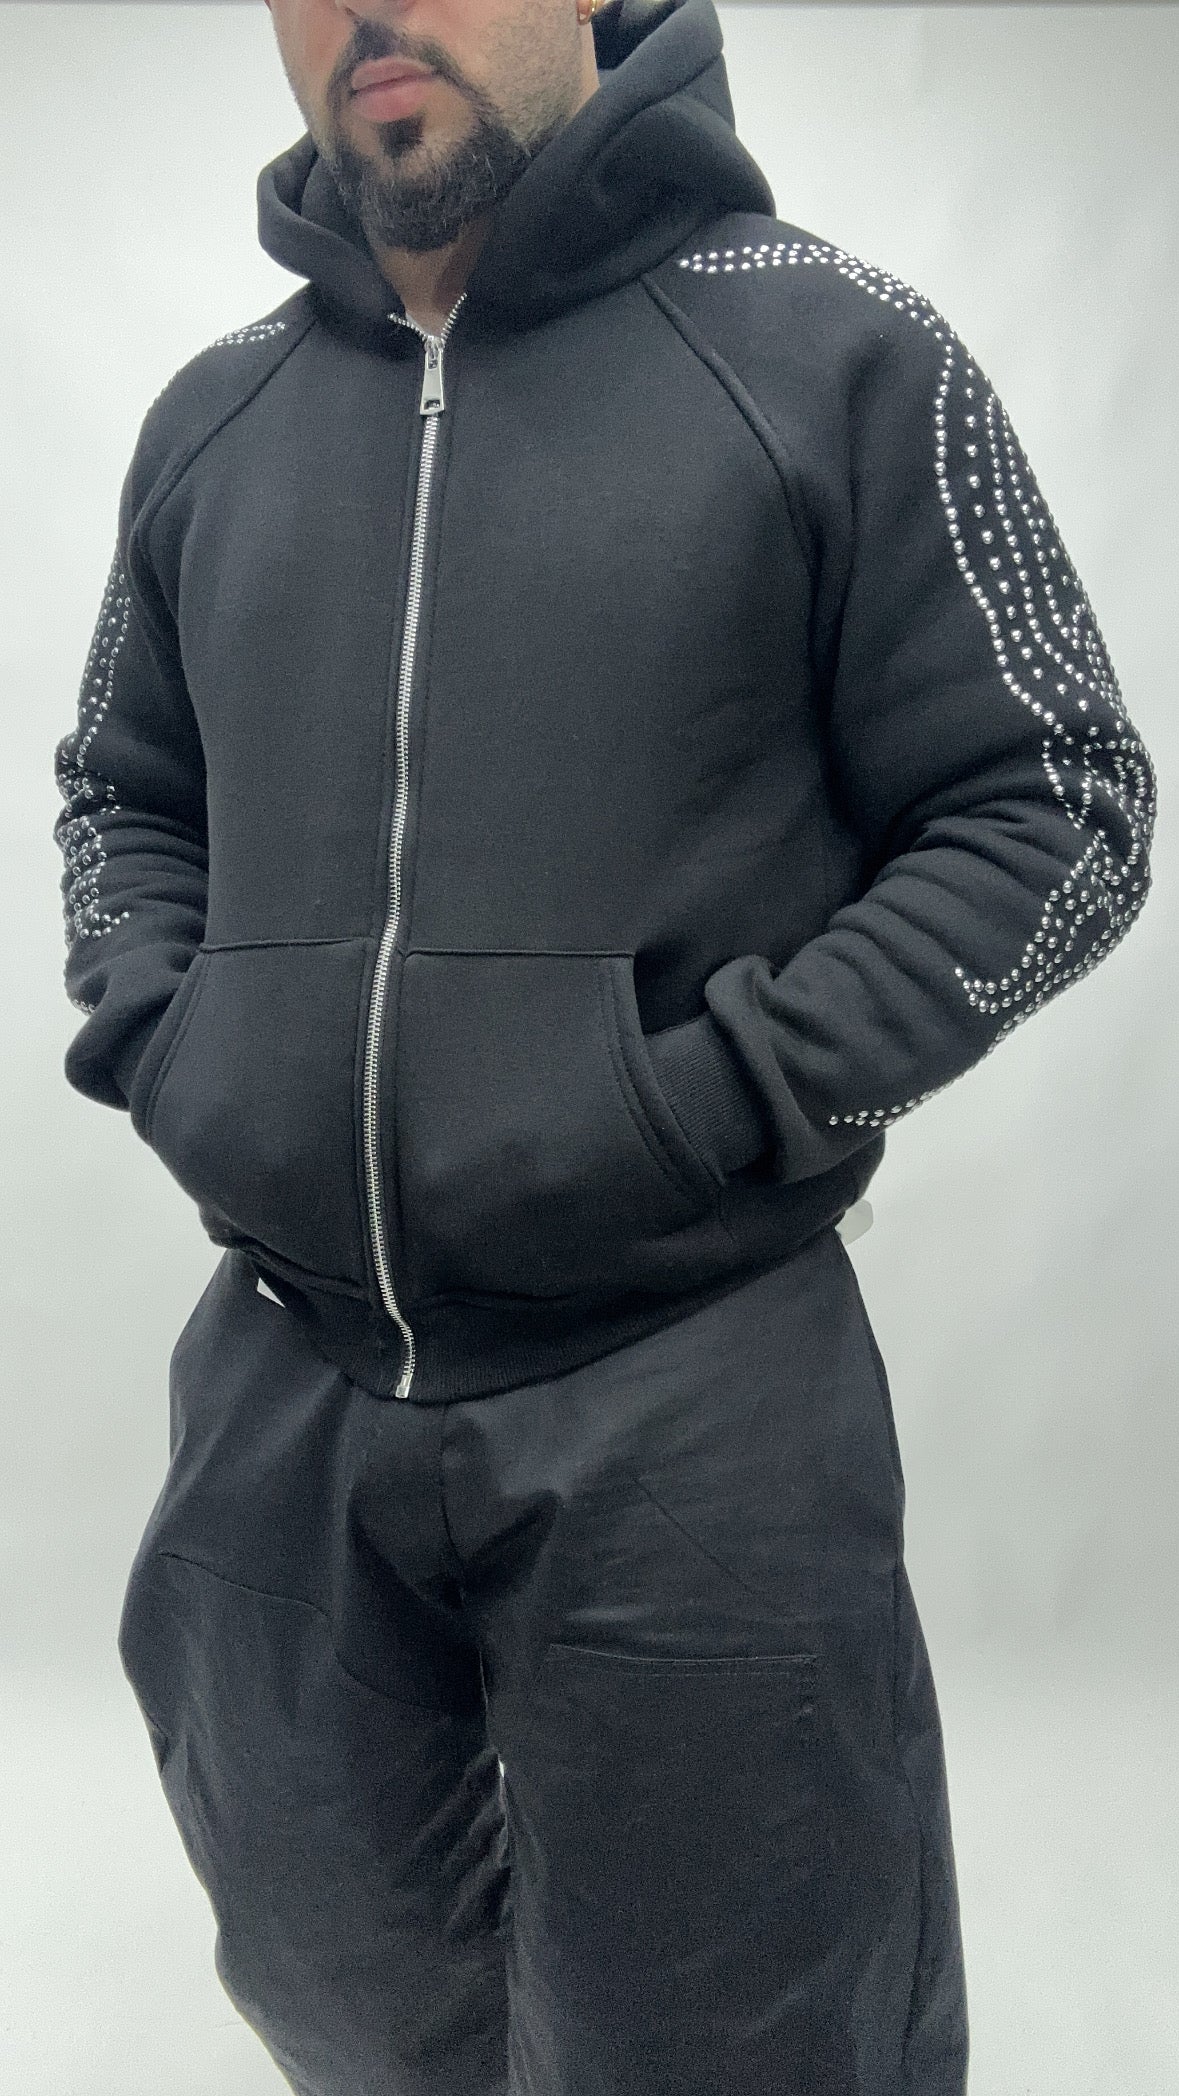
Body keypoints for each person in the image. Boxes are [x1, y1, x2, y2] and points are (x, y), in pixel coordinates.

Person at [51, 0, 1157, 2088]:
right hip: (283, 1388)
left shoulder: (838, 356)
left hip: (686, 1392)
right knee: (347, 2000)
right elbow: (124, 785)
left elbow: (1062, 804)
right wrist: (174, 1039)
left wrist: (716, 1095)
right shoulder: (217, 418)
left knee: (740, 2038)